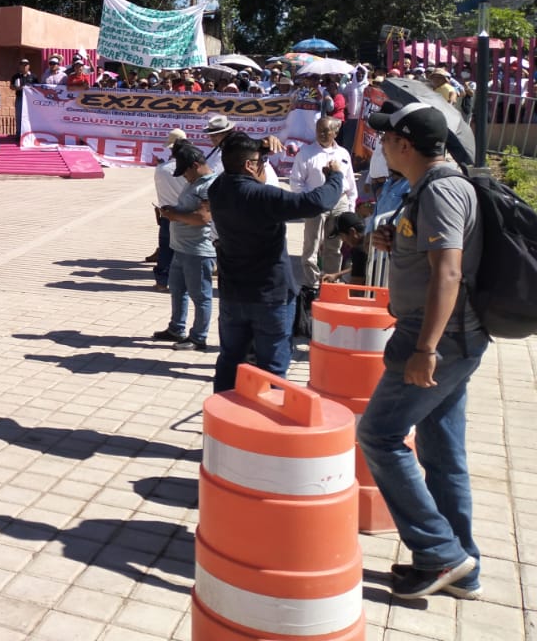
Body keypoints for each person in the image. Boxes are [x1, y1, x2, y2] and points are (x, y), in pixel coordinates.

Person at [357, 101, 487, 601]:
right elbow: (435, 255)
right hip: (451, 336)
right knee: (442, 452)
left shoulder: (441, 190)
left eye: (387, 139)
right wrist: (399, 242)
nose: (381, 145)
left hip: (438, 338)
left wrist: (426, 348)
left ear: (405, 145)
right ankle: (461, 568)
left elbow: (448, 272)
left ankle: (440, 553)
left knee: (379, 435)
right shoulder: (428, 188)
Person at [206, 133, 344, 392]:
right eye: (262, 162)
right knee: (273, 369)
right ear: (249, 165)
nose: (264, 166)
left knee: (230, 361)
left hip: (233, 295)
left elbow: (237, 156)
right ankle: (268, 417)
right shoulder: (261, 196)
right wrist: (335, 176)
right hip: (270, 297)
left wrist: (259, 147)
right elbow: (317, 202)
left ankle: (220, 415)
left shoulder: (218, 189)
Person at [154, 143, 217, 351]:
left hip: (198, 251)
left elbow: (203, 218)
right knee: (178, 290)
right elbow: (188, 210)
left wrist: (174, 215)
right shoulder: (195, 182)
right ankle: (176, 328)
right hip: (181, 248)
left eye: (185, 172)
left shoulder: (209, 186)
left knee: (200, 296)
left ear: (195, 165)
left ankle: (198, 337)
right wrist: (173, 210)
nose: (184, 177)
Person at [291, 117, 359, 295]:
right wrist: (309, 200)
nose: (321, 134)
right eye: (318, 130)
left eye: (325, 131)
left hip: (339, 202)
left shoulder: (343, 153)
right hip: (316, 202)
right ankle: (311, 284)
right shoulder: (306, 153)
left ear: (335, 133)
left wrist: (350, 205)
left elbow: (350, 182)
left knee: (334, 246)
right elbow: (296, 182)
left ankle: (330, 283)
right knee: (312, 245)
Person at [149, 129, 190, 291]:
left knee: (165, 250)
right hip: (187, 214)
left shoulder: (161, 169)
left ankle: (161, 281)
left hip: (167, 214)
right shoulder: (190, 169)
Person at [10, 58, 37, 131]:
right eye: (23, 65)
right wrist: (19, 88)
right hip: (20, 98)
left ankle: (29, 133)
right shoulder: (16, 76)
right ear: (20, 66)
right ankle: (19, 134)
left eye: (26, 65)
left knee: (30, 116)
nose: (24, 67)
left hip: (30, 100)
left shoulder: (33, 77)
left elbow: (37, 88)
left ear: (29, 66)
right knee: (19, 117)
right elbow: (11, 87)